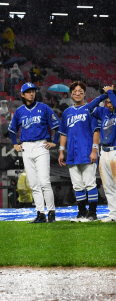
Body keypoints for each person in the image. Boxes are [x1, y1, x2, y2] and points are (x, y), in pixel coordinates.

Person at [9, 82, 60, 223]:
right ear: (22, 94)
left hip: (41, 145)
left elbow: (57, 125)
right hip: (26, 147)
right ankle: (40, 214)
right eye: (29, 91)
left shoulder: (44, 108)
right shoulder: (19, 111)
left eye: (33, 91)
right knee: (34, 184)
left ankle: (51, 212)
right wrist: (15, 144)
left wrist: (54, 141)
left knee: (44, 181)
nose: (32, 93)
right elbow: (12, 130)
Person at [86, 85, 116, 222]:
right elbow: (89, 107)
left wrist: (110, 92)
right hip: (104, 152)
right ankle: (113, 214)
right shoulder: (104, 112)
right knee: (108, 186)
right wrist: (103, 96)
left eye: (111, 101)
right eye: (108, 102)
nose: (109, 104)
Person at [58, 81, 100, 222]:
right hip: (72, 154)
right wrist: (61, 151)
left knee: (90, 183)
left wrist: (94, 150)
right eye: (75, 91)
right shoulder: (66, 112)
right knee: (77, 185)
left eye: (80, 91)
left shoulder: (90, 109)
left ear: (84, 93)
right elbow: (63, 133)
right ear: (71, 94)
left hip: (87, 152)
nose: (77, 93)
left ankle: (92, 213)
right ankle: (82, 213)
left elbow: (96, 131)